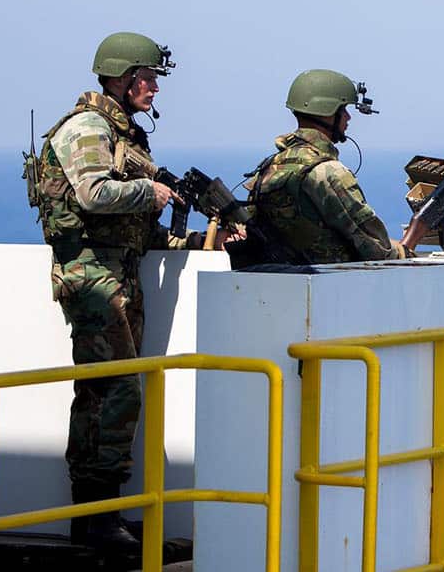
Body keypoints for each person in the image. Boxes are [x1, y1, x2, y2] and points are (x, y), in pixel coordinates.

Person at [33, 31, 228, 551]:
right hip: (92, 277)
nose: (155, 88)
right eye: (148, 78)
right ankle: (96, 517)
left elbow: (135, 229)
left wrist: (197, 241)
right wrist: (153, 189)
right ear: (122, 76)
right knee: (114, 388)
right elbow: (93, 194)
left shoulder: (123, 132)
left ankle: (101, 514)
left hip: (118, 272)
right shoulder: (88, 127)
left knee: (112, 388)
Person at [234, 69, 415, 266]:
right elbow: (378, 254)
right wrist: (415, 235)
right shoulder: (328, 172)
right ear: (328, 112)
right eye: (343, 110)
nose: (348, 118)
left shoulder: (271, 166)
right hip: (331, 287)